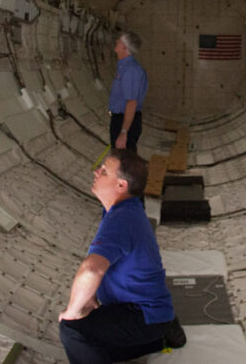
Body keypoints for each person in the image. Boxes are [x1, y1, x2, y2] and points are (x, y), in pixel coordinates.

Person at [58, 149, 185, 362]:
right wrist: (89, 298)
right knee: (94, 346)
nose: (96, 172)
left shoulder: (121, 219)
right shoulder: (123, 210)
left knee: (73, 330)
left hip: (142, 315)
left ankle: (160, 332)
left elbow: (92, 269)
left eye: (105, 171)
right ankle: (162, 338)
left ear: (121, 185)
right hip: (148, 311)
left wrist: (72, 311)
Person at [108, 32, 147, 151]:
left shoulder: (131, 70)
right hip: (121, 119)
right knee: (121, 161)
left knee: (124, 161)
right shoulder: (124, 67)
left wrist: (124, 132)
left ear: (124, 47)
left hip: (125, 120)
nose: (116, 42)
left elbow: (131, 103)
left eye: (119, 41)